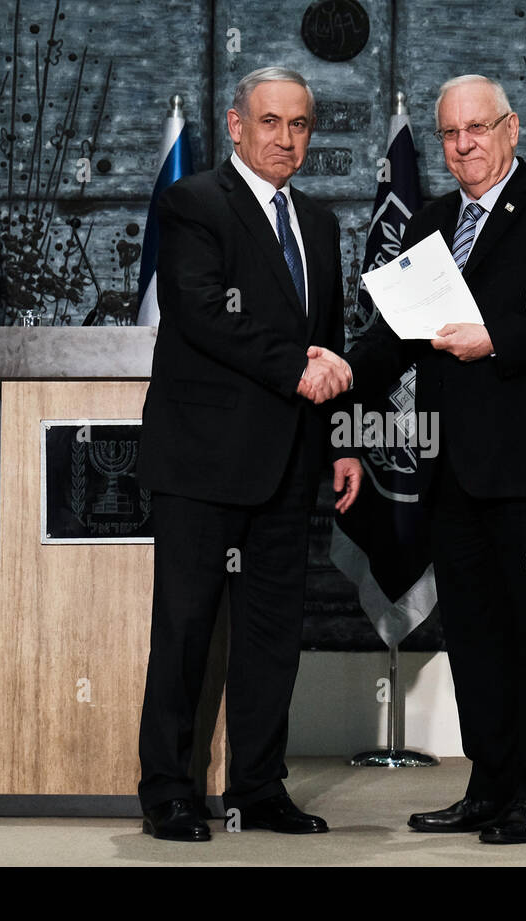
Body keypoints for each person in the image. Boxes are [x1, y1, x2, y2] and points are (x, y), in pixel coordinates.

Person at [342, 74, 526, 843]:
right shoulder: (430, 221)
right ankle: (490, 784)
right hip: (453, 471)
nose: (464, 145)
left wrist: (496, 335)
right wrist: (335, 377)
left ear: (511, 128)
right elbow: (394, 335)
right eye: (451, 133)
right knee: (475, 639)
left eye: (478, 128)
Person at [136, 67, 362, 842]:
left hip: (288, 466)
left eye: (299, 125)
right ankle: (168, 790)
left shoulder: (323, 226)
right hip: (202, 464)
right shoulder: (193, 204)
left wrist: (339, 443)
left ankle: (258, 789)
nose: (285, 139)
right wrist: (296, 365)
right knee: (186, 629)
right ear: (236, 125)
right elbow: (201, 313)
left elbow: (328, 344)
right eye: (270, 122)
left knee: (272, 637)